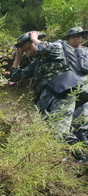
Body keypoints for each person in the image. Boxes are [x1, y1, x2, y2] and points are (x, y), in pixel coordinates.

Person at [9, 31, 88, 163]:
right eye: (25, 51)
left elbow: (49, 48)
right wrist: (18, 58)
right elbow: (15, 77)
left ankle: (71, 159)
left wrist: (34, 38)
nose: (28, 52)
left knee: (60, 133)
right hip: (47, 102)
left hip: (62, 95)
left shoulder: (56, 49)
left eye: (29, 48)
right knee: (65, 133)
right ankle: (83, 158)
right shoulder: (37, 63)